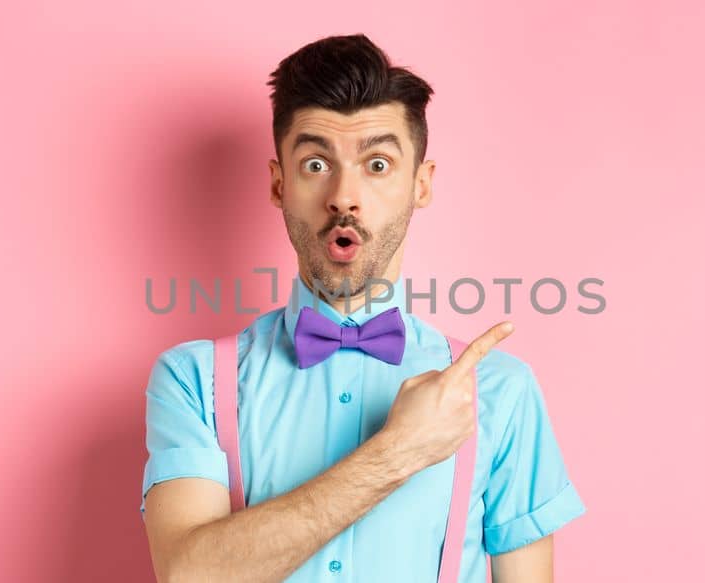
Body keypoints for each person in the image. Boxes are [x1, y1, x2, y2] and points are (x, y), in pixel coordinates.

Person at [140, 34, 585, 582]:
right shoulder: (193, 381)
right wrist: (397, 453)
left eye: (377, 164)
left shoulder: (498, 389)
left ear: (420, 185)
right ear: (279, 184)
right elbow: (189, 576)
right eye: (315, 164)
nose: (344, 195)